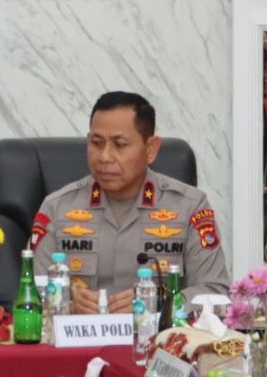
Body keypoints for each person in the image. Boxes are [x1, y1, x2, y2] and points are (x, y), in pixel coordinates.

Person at [31, 90, 229, 314]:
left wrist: (159, 304)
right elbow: (32, 293)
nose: (105, 157)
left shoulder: (189, 206)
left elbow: (216, 293)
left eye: (120, 145)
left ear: (150, 149)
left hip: (158, 335)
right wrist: (68, 307)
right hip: (80, 335)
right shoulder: (57, 208)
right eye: (97, 143)